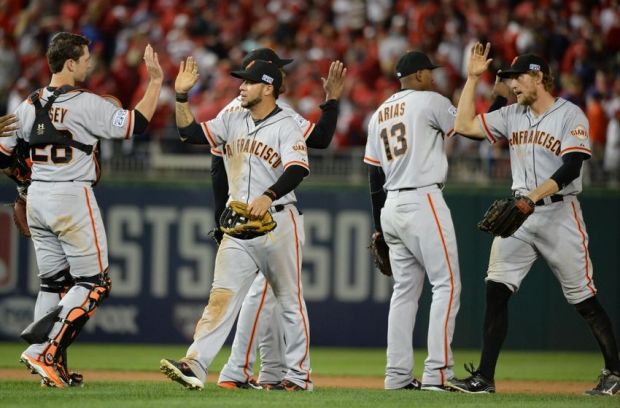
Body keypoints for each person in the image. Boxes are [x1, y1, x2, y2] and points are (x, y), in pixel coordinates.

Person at [445, 42, 620, 396]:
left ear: (538, 77)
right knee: (496, 290)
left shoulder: (570, 115)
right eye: (509, 80)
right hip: (519, 215)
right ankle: (484, 378)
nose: (512, 85)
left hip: (559, 213)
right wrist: (471, 78)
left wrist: (531, 198)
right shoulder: (512, 115)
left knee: (583, 299)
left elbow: (572, 167)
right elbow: (463, 124)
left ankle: (615, 373)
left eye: (518, 78)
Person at [0, 32, 163, 388]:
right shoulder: (87, 103)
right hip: (71, 196)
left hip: (36, 196)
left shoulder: (27, 105)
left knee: (53, 284)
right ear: (70, 63)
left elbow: (2, 156)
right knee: (95, 283)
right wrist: (155, 83)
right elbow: (137, 124)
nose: (90, 63)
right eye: (85, 58)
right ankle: (44, 352)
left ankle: (49, 368)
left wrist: (21, 181)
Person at [160, 57, 313, 391]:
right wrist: (182, 97)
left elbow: (298, 167)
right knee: (221, 296)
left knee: (289, 301)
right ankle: (195, 363)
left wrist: (269, 195)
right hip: (238, 224)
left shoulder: (286, 123)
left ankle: (300, 377)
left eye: (248, 82)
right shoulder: (232, 119)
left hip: (277, 221)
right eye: (241, 81)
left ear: (268, 87)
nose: (241, 87)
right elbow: (188, 133)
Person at [212, 49, 346, 390]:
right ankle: (238, 370)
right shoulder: (271, 114)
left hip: (241, 212)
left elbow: (217, 169)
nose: (281, 75)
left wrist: (221, 217)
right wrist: (331, 101)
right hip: (266, 215)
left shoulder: (231, 112)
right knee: (266, 297)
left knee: (265, 298)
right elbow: (319, 139)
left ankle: (268, 372)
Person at [364, 51, 461, 391]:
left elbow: (373, 175)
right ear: (418, 75)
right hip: (423, 198)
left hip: (391, 205)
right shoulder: (431, 101)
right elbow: (466, 126)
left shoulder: (378, 114)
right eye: (429, 72)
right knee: (447, 284)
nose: (433, 77)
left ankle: (397, 375)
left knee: (404, 293)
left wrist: (378, 223)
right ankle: (438, 373)